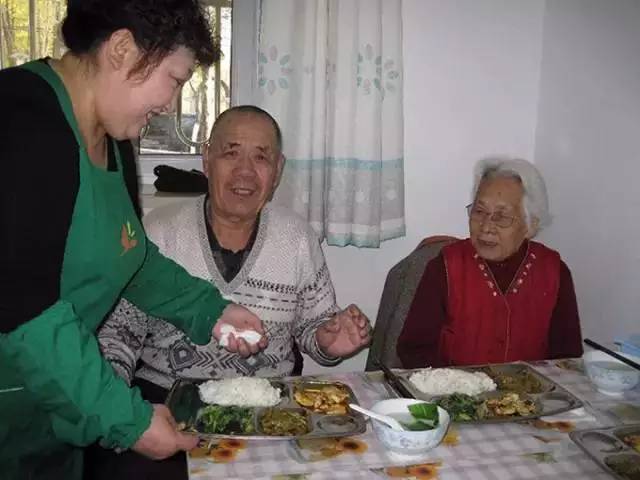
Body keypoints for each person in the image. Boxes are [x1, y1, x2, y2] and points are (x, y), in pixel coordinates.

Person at [0, 2, 267, 479]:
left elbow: (130, 257)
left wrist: (211, 310)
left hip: (56, 408)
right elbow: (25, 309)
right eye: (174, 79)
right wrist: (130, 421)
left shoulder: (115, 139)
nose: (170, 104)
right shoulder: (19, 121)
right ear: (122, 49)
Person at [86, 105, 371, 479]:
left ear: (278, 170)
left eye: (261, 157)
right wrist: (121, 412)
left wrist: (328, 341)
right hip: (167, 404)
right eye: (231, 153)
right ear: (206, 159)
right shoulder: (157, 233)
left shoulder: (298, 239)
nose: (245, 171)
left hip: (269, 409)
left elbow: (313, 330)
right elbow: (117, 337)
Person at [397, 157, 583, 368]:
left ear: (531, 225)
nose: (486, 227)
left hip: (531, 389)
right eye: (479, 212)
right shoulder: (445, 267)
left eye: (501, 217)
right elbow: (413, 351)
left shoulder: (554, 272)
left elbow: (567, 360)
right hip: (454, 387)